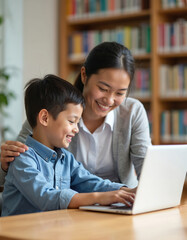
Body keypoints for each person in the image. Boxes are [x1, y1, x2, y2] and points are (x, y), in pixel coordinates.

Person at [0, 42, 151, 188]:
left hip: (121, 202)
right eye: (103, 88)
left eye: (120, 93)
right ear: (84, 75)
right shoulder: (54, 109)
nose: (109, 100)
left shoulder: (132, 112)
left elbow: (148, 169)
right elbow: (15, 170)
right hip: (69, 207)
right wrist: (5, 164)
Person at [1, 75, 135, 216]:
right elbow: (47, 197)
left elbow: (92, 183)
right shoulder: (21, 158)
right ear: (45, 118)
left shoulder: (66, 159)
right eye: (72, 121)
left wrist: (127, 191)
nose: (76, 129)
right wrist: (99, 198)